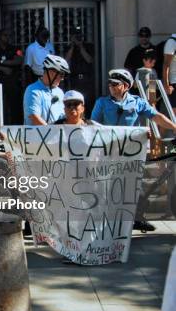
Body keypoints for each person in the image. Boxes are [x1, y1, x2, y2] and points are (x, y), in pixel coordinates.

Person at [91, 69, 176, 232]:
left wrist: (174, 127)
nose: (111, 86)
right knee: (110, 186)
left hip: (132, 153)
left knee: (134, 186)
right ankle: (108, 222)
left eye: (115, 84)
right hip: (110, 152)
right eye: (110, 84)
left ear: (126, 86)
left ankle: (137, 218)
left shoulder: (137, 102)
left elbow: (156, 116)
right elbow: (93, 124)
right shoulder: (102, 102)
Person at [0, 29, 24, 124]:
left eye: (8, 35)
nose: (7, 37)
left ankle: (15, 128)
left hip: (13, 83)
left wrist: (0, 62)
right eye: (5, 35)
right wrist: (3, 69)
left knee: (15, 107)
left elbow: (18, 60)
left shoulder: (15, 49)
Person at [23, 55, 70, 125]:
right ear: (51, 72)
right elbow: (34, 117)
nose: (62, 79)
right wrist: (51, 134)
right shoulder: (33, 90)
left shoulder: (60, 92)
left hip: (56, 134)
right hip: (38, 135)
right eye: (61, 75)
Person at [64, 26, 94, 109]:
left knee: (88, 101)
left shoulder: (88, 46)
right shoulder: (70, 47)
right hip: (74, 79)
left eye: (79, 35)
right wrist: (73, 46)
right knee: (76, 102)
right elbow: (66, 60)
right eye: (75, 36)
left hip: (87, 79)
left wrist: (81, 46)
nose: (78, 37)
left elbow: (89, 60)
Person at [161, 33, 176, 114]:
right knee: (174, 114)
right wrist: (166, 85)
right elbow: (166, 64)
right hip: (174, 82)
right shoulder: (172, 42)